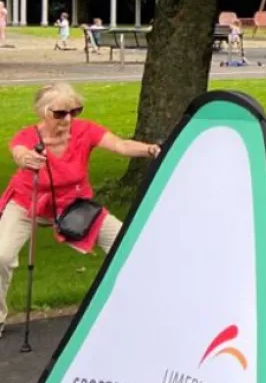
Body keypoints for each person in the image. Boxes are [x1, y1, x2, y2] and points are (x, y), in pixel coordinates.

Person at [0, 83, 161, 338]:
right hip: (27, 203)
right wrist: (26, 158)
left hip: (73, 204)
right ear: (44, 112)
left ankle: (143, 306)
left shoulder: (85, 131)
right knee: (1, 255)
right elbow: (19, 152)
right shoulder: (28, 136)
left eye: (74, 111)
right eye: (60, 113)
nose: (68, 119)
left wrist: (150, 149)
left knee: (125, 242)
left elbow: (120, 146)